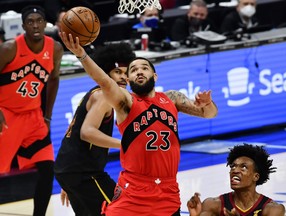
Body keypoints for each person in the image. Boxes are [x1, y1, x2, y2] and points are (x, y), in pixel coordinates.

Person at [59, 30, 218, 215]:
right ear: (128, 79)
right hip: (133, 190)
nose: (139, 71)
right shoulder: (126, 102)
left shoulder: (172, 98)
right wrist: (82, 55)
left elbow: (209, 114)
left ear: (155, 76)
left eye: (144, 68)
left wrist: (207, 104)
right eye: (133, 70)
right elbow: (104, 81)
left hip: (168, 189)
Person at [54, 42, 136, 216]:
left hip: (70, 170)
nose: (123, 78)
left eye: (125, 73)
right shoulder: (103, 96)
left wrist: (69, 180)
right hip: (84, 173)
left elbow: (74, 132)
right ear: (106, 73)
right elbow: (86, 132)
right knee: (124, 210)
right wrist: (125, 143)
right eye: (117, 72)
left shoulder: (95, 93)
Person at [0, 5, 63, 216]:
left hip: (34, 117)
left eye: (39, 21)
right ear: (23, 26)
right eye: (30, 21)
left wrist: (47, 115)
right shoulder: (10, 48)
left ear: (46, 24)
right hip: (6, 115)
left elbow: (53, 80)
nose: (35, 25)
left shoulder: (54, 48)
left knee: (47, 170)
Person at [187, 143, 286, 216]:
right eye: (233, 167)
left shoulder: (272, 209)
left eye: (243, 167)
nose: (235, 170)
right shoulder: (213, 204)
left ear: (256, 176)